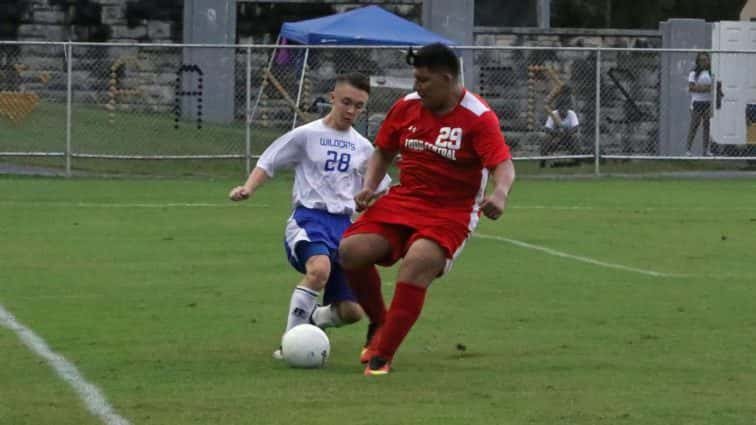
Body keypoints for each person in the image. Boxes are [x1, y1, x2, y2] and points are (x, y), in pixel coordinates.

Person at [337, 43, 516, 376]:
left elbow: (502, 164)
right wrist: (369, 185)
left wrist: (500, 194)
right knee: (350, 251)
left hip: (451, 211)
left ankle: (382, 355)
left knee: (418, 261)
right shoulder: (407, 107)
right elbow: (383, 151)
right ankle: (379, 321)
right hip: (405, 200)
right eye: (415, 79)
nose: (416, 87)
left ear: (447, 79)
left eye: (423, 80)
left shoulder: (478, 116)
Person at [228, 72, 390, 359]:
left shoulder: (363, 147)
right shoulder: (307, 135)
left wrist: (370, 199)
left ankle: (313, 321)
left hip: (345, 228)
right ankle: (290, 344)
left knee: (352, 312)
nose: (352, 111)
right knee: (319, 270)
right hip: (310, 219)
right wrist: (248, 188)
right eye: (346, 102)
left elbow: (381, 185)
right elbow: (270, 160)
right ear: (332, 99)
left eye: (359, 106)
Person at [686, 52, 713, 156]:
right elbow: (691, 88)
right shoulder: (693, 73)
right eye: (701, 60)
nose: (703, 62)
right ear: (698, 62)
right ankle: (688, 150)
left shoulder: (711, 73)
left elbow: (714, 87)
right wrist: (706, 88)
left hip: (707, 103)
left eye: (705, 60)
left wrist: (701, 88)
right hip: (697, 103)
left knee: (707, 127)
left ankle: (705, 150)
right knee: (694, 127)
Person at [540, 97, 580, 168]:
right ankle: (543, 162)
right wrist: (557, 133)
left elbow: (576, 128)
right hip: (556, 137)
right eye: (561, 108)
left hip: (568, 137)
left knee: (575, 137)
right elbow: (547, 129)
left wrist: (566, 133)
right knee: (546, 138)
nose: (563, 110)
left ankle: (576, 161)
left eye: (565, 108)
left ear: (568, 108)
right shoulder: (553, 114)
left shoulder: (571, 114)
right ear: (558, 108)